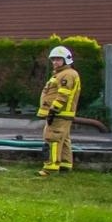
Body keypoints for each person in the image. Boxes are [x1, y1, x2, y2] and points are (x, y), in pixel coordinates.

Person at [36, 45, 81, 176]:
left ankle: (50, 168)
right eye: (53, 59)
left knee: (52, 138)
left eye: (58, 59)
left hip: (59, 114)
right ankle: (65, 165)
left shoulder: (67, 74)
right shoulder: (63, 74)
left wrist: (53, 111)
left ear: (66, 60)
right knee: (64, 139)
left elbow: (63, 95)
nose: (55, 62)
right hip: (61, 114)